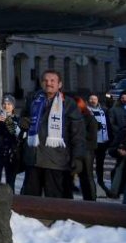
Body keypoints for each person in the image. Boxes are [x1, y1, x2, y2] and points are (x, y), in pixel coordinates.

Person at [19, 70, 87, 199]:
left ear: (59, 84)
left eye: (52, 81)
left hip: (57, 162)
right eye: (45, 80)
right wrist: (22, 122)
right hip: (34, 159)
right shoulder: (33, 100)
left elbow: (78, 133)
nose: (48, 83)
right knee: (31, 203)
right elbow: (22, 119)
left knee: (57, 204)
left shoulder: (68, 104)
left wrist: (78, 157)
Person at [73, 96, 99, 200]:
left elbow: (92, 136)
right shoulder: (74, 117)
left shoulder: (89, 118)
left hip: (87, 150)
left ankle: (91, 199)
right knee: (81, 175)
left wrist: (77, 133)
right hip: (78, 148)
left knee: (87, 176)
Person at [86, 94, 110, 195]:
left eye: (95, 99)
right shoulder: (86, 111)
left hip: (102, 142)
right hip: (90, 143)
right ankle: (89, 184)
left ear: (98, 100)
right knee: (89, 165)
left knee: (100, 164)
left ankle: (100, 182)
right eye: (91, 99)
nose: (93, 101)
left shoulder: (103, 110)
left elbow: (108, 124)